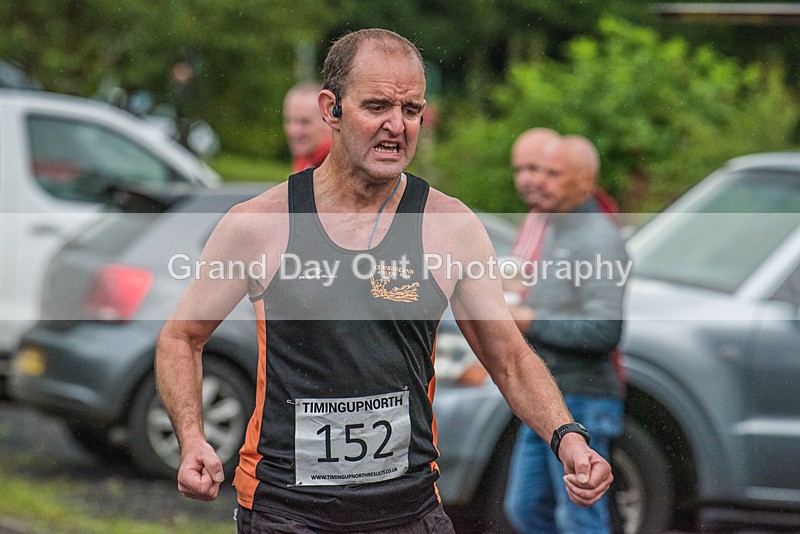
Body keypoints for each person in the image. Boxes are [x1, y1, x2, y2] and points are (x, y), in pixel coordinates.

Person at [155, 28, 613, 533]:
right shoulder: (260, 224)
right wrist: (193, 438)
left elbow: (509, 357)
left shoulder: (450, 227)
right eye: (377, 107)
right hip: (286, 511)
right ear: (332, 109)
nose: (397, 125)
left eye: (412, 110)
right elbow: (181, 337)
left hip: (408, 510)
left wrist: (567, 436)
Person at [503, 134, 627, 534]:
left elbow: (605, 331)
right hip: (547, 397)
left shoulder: (598, 237)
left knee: (580, 519)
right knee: (524, 510)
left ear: (585, 180)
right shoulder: (556, 225)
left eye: (553, 174)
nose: (540, 182)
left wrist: (529, 321)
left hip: (585, 400)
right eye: (535, 170)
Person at [283, 81, 332, 172]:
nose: (293, 131)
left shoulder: (341, 164)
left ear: (329, 120)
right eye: (288, 121)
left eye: (305, 122)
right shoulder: (306, 159)